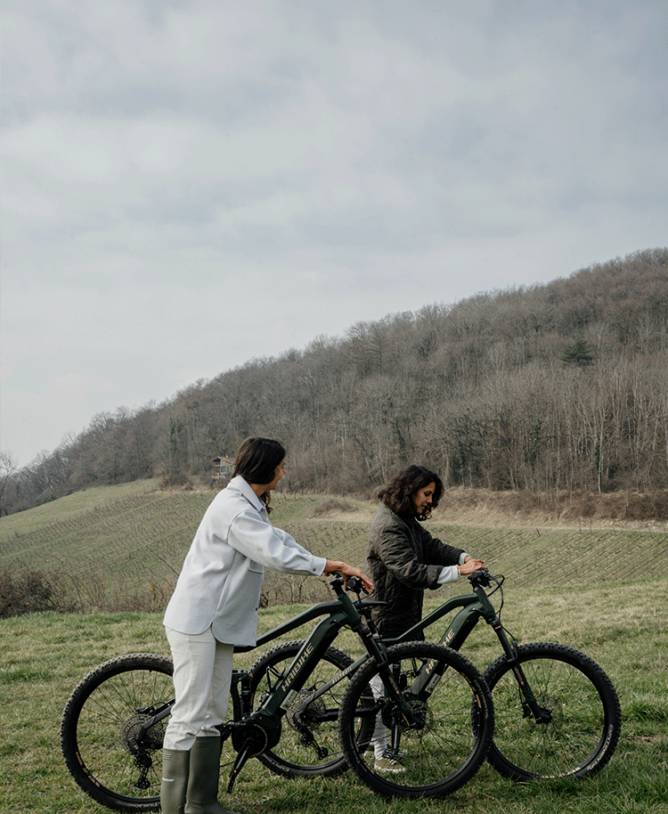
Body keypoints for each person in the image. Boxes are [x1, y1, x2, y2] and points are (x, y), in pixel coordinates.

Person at [160, 437, 373, 814]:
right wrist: (326, 565)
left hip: (216, 622)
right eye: (281, 465)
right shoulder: (234, 509)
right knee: (190, 712)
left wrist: (325, 562)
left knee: (212, 712)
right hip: (198, 620)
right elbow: (272, 552)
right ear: (265, 468)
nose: (284, 471)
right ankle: (173, 808)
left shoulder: (248, 504)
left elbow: (278, 539)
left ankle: (201, 803)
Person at [366, 464, 485, 773]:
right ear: (409, 490)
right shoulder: (388, 525)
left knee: (391, 683)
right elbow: (409, 570)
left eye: (433, 495)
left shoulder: (403, 520)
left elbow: (430, 546)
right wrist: (459, 572)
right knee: (382, 685)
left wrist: (462, 557)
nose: (429, 501)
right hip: (387, 614)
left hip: (403, 612)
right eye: (426, 494)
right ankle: (380, 753)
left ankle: (379, 744)